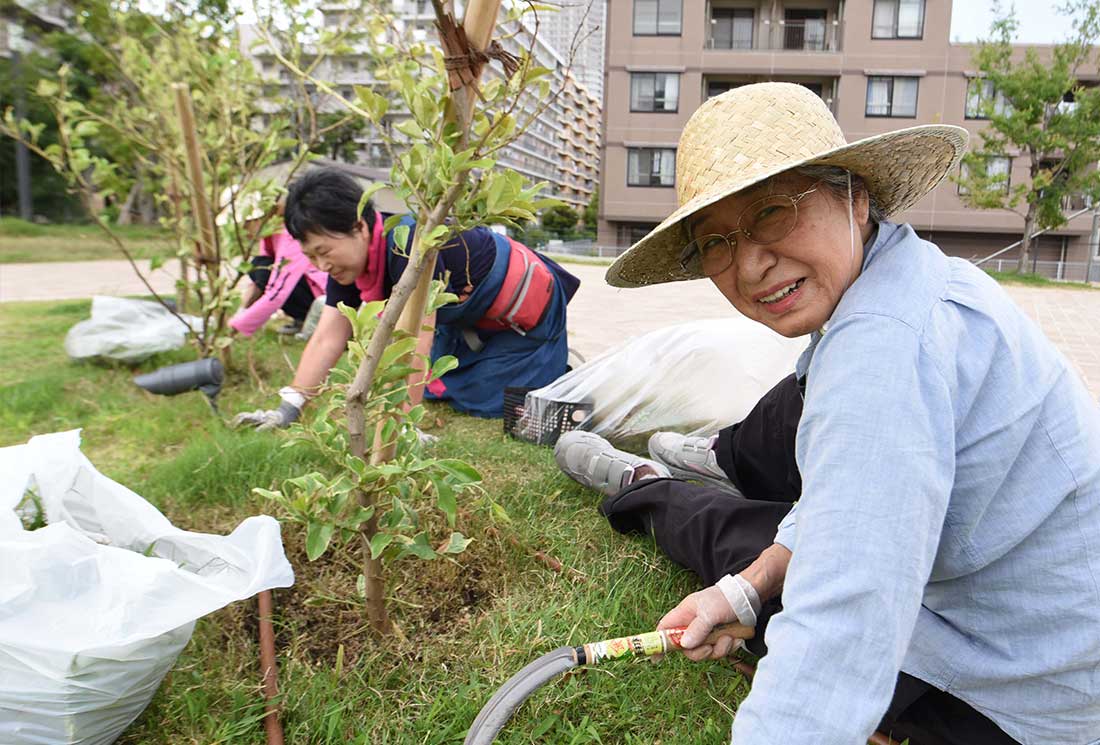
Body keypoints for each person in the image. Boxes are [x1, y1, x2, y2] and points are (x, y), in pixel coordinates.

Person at [553, 83, 1100, 745]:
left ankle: (643, 483)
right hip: (1037, 637)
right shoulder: (907, 281)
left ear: (856, 194)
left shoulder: (883, 350)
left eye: (773, 212)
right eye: (717, 242)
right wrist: (745, 593)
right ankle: (710, 456)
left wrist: (748, 585)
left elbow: (844, 622)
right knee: (785, 470)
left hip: (1016, 690)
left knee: (736, 540)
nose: (750, 264)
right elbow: (854, 503)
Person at [233, 167, 579, 429]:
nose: (322, 265)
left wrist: (401, 426)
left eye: (324, 250)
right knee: (440, 388)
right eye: (311, 257)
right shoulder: (347, 267)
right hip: (468, 320)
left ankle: (556, 373)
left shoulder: (408, 243)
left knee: (490, 400)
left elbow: (414, 339)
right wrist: (289, 407)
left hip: (525, 310)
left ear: (360, 227)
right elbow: (328, 337)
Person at [224, 194, 328, 339]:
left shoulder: (290, 234)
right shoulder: (269, 234)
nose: (243, 230)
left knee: (268, 273)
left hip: (323, 297)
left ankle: (310, 320)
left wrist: (238, 326)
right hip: (307, 290)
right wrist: (240, 312)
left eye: (244, 224)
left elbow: (278, 291)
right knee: (259, 265)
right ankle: (302, 318)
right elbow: (258, 283)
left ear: (257, 219)